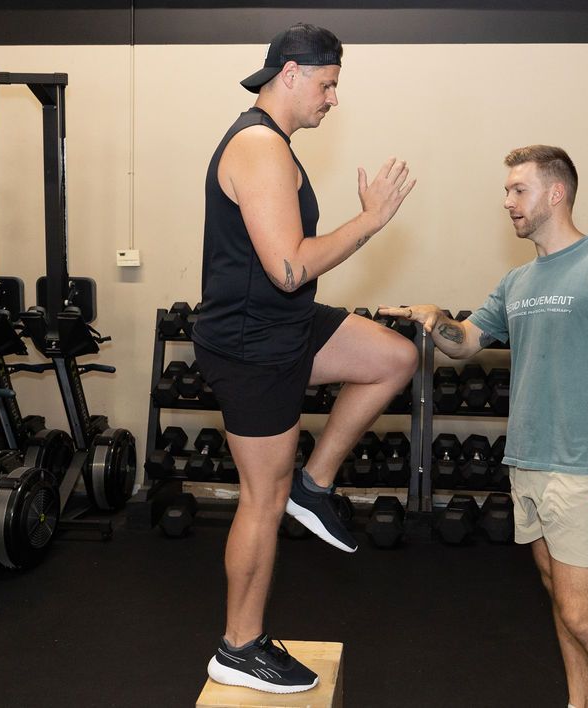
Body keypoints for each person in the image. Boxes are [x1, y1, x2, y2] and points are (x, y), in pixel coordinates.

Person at [381, 145, 588, 708]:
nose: (506, 201)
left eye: (518, 190)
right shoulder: (517, 281)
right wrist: (435, 321)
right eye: (507, 190)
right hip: (528, 464)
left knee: (586, 614)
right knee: (561, 598)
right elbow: (465, 344)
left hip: (584, 471)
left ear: (556, 193)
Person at [191, 23, 417, 694]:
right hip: (251, 343)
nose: (333, 98)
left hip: (283, 325)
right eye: (328, 84)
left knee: (392, 357)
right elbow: (289, 267)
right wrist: (369, 222)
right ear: (290, 74)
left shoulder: (274, 144)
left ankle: (316, 486)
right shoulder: (258, 147)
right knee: (264, 498)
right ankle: (239, 645)